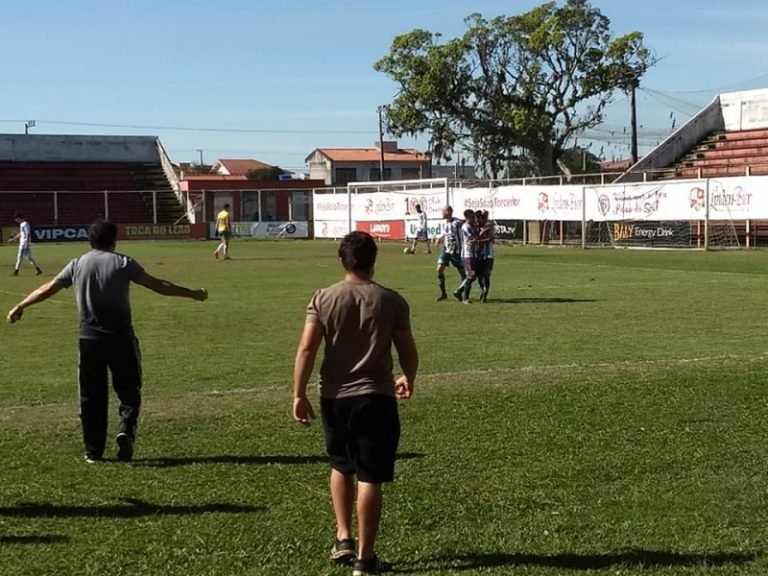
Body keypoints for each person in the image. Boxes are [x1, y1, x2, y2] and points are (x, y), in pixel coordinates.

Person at [6, 219, 208, 463]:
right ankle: (125, 429)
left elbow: (49, 288)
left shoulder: (78, 263)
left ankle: (93, 451)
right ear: (114, 240)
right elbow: (159, 286)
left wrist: (21, 304)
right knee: (129, 391)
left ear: (90, 240)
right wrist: (192, 294)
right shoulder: (123, 263)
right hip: (121, 338)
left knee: (91, 396)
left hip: (89, 339)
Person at [292, 231, 418, 576]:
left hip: (334, 398)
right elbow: (407, 348)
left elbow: (306, 349)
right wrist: (409, 377)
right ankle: (365, 558)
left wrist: (298, 394)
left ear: (341, 259)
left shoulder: (323, 298)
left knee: (340, 465)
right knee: (370, 477)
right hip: (376, 396)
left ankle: (343, 536)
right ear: (373, 260)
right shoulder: (391, 300)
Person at [434, 206, 465, 302]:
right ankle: (443, 294)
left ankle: (460, 291)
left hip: (457, 252)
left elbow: (466, 224)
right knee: (439, 270)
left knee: (464, 275)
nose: (442, 213)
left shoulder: (458, 222)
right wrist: (440, 238)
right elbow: (446, 233)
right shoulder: (445, 223)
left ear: (449, 212)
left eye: (443, 211)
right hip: (446, 250)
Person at [9, 212, 42, 277]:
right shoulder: (22, 224)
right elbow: (21, 233)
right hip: (24, 243)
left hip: (24, 244)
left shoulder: (25, 224)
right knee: (30, 258)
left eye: (16, 219)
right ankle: (38, 270)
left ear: (19, 218)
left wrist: (26, 244)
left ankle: (16, 272)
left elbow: (28, 234)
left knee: (20, 257)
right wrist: (13, 239)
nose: (16, 221)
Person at [457, 209, 479, 304]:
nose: (475, 219)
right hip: (467, 254)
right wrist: (482, 234)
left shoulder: (472, 226)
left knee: (473, 276)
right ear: (468, 217)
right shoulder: (466, 227)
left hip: (473, 253)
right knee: (471, 275)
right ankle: (465, 298)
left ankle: (459, 291)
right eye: (473, 217)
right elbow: (473, 239)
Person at [476, 210, 495, 302]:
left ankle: (485, 293)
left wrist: (479, 241)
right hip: (478, 254)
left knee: (486, 274)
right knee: (479, 276)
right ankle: (483, 290)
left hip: (488, 254)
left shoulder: (488, 226)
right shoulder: (475, 226)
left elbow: (491, 238)